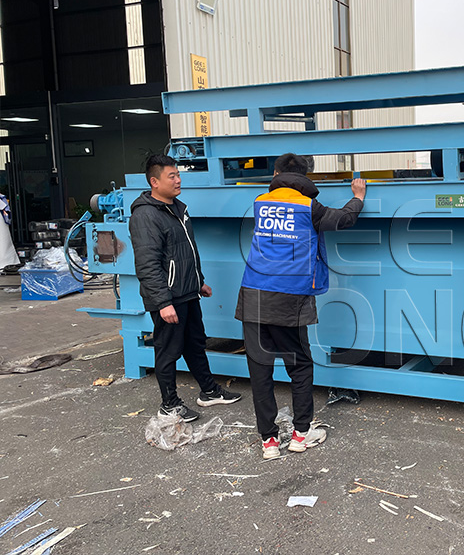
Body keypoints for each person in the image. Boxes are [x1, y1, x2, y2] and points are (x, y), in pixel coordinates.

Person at [236, 153, 366, 460]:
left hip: (253, 293)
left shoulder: (261, 201)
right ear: (305, 176)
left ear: (277, 173)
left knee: (260, 370)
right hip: (289, 297)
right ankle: (300, 435)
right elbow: (342, 220)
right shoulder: (309, 207)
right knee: (300, 367)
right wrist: (357, 198)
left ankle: (268, 441)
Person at [130, 153, 241, 422]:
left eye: (178, 175)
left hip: (187, 291)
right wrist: (163, 302)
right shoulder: (146, 215)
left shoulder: (178, 208)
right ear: (154, 182)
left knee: (195, 344)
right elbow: (148, 263)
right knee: (168, 350)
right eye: (172, 176)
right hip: (168, 297)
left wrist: (198, 280)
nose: (178, 180)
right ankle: (169, 405)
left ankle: (209, 392)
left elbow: (186, 252)